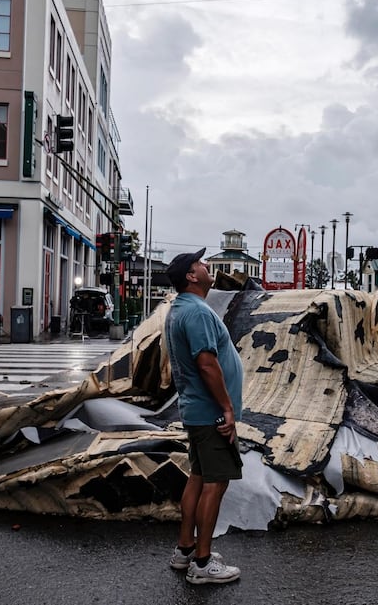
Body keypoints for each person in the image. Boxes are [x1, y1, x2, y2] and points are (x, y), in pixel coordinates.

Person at [164, 248, 244, 585]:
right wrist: (227, 408)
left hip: (196, 409)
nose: (206, 265)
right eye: (199, 263)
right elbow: (207, 363)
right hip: (210, 412)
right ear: (191, 277)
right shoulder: (196, 313)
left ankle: (185, 549)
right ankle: (202, 563)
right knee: (216, 483)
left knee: (197, 477)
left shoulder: (180, 310)